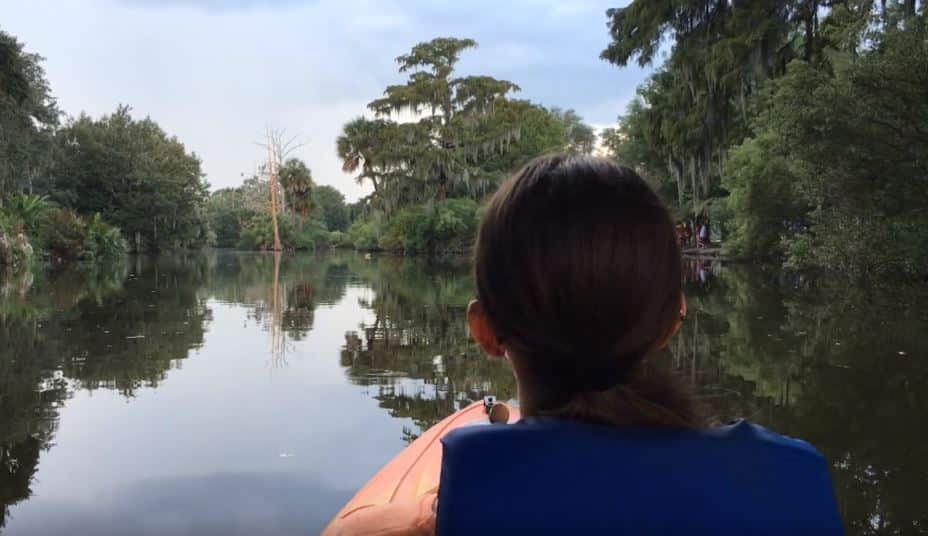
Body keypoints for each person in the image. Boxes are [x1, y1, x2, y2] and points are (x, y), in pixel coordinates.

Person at [326, 155, 841, 535]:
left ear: (484, 331)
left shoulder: (478, 483)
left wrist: (422, 518)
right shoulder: (793, 477)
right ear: (672, 322)